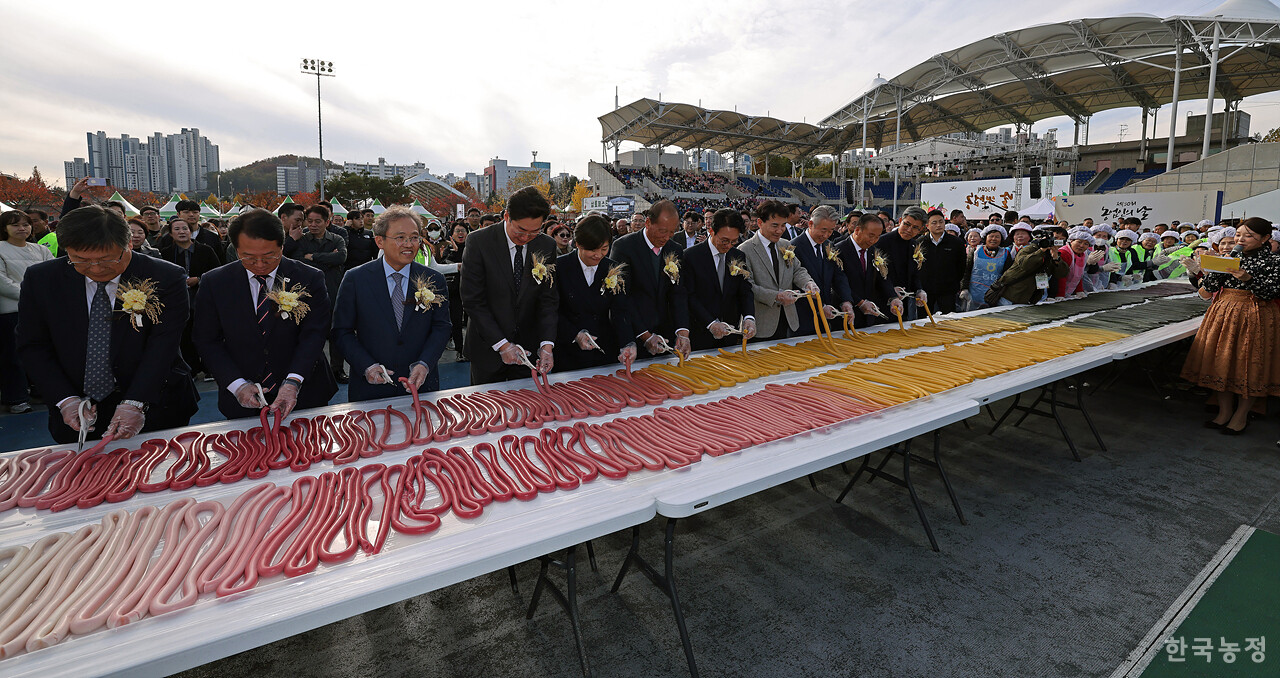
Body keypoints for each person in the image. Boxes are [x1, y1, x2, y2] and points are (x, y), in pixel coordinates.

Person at [17, 205, 199, 443]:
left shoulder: (164, 277)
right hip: (78, 406)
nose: (95, 269)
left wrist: (136, 400)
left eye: (106, 259)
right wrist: (64, 399)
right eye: (80, 260)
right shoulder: (41, 279)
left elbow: (163, 344)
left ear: (129, 245)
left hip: (155, 399)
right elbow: (32, 344)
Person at [193, 208, 336, 420]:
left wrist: (293, 381)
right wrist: (237, 385)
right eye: (248, 257)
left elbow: (314, 334)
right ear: (236, 249)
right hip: (242, 393)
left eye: (269, 256)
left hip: (305, 389)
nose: (259, 265)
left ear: (282, 244)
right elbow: (206, 340)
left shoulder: (309, 277)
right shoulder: (215, 282)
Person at [332, 207, 451, 403]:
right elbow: (341, 331)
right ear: (380, 241)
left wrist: (425, 363)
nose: (409, 244)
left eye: (414, 237)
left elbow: (442, 327)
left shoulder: (433, 279)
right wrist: (367, 366)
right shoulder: (356, 279)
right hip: (370, 387)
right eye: (400, 237)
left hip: (421, 385)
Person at [1181, 218, 1280, 435]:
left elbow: (1271, 293)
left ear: (1265, 239)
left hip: (1257, 314)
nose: (1240, 239)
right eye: (1238, 234)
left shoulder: (1274, 261)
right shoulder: (1231, 255)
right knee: (1221, 361)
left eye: (1248, 235)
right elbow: (1206, 291)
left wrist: (1246, 277)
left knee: (1251, 364)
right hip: (1224, 311)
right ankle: (1224, 412)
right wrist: (1210, 270)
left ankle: (1241, 415)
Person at [460, 186, 560, 385]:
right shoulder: (479, 241)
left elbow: (548, 299)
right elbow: (473, 301)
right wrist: (503, 345)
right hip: (488, 347)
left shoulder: (546, 245)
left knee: (529, 409)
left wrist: (547, 345)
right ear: (506, 216)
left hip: (529, 350)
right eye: (521, 231)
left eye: (534, 232)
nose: (525, 238)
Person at [553, 215, 635, 371]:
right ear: (577, 244)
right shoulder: (560, 267)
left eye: (604, 249)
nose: (598, 255)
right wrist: (575, 334)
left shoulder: (613, 269)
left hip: (603, 348)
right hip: (567, 351)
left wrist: (628, 343)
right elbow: (552, 310)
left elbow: (620, 310)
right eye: (592, 250)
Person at [610, 199, 689, 359]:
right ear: (647, 223)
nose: (667, 237)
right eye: (662, 231)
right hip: (634, 335)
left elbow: (678, 293)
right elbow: (622, 296)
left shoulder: (675, 249)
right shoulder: (623, 247)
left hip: (665, 336)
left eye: (672, 232)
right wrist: (645, 335)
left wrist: (682, 332)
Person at [676, 209, 758, 350]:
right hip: (700, 332)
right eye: (724, 240)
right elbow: (689, 295)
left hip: (730, 334)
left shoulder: (737, 256)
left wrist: (749, 318)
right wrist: (711, 323)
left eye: (733, 241)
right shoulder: (690, 256)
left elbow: (745, 290)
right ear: (712, 231)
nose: (728, 245)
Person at [739, 200, 819, 342]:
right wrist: (776, 296)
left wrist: (808, 283)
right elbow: (747, 286)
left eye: (783, 226)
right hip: (760, 325)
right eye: (774, 225)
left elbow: (797, 270)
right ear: (759, 223)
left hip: (788, 320)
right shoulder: (745, 250)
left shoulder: (786, 244)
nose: (780, 230)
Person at [285, 204, 348, 382]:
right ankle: (313, 370)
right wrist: (328, 259)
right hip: (308, 293)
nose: (313, 225)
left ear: (327, 222)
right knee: (311, 333)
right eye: (310, 221)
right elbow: (298, 263)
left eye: (317, 221)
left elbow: (341, 257)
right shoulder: (301, 239)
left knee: (336, 333)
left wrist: (313, 256)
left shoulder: (337, 239)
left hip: (333, 290)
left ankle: (338, 369)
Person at [0, 211, 54, 413]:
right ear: (5, 228)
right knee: (13, 356)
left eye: (26, 224)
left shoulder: (41, 250)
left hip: (40, 311)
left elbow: (52, 276)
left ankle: (40, 391)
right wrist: (32, 297)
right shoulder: (1, 249)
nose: (22, 228)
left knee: (43, 352)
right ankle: (16, 398)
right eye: (15, 225)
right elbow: (3, 282)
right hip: (10, 311)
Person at [790, 205, 853, 335]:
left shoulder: (829, 245)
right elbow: (794, 283)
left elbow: (839, 276)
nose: (826, 235)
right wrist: (820, 307)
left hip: (826, 316)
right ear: (811, 224)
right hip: (802, 317)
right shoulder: (794, 247)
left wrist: (846, 300)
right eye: (823, 230)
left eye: (830, 231)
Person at [838, 213, 902, 327]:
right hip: (847, 314)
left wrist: (893, 298)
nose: (874, 240)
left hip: (870, 315)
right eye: (871, 235)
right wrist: (860, 302)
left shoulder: (874, 251)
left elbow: (882, 278)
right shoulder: (839, 250)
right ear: (857, 230)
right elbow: (838, 283)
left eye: (878, 236)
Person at [988, 229, 1068, 305]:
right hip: (1010, 296)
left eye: (1061, 239)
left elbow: (1062, 274)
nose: (1055, 241)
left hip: (1029, 299)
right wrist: (1041, 251)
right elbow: (1025, 264)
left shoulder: (1053, 255)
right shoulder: (1029, 249)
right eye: (1056, 238)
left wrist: (1056, 258)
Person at [876, 206, 928, 320]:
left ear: (921, 230)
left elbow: (914, 274)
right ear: (900, 221)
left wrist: (919, 290)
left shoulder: (915, 245)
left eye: (915, 227)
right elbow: (877, 274)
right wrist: (891, 293)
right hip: (881, 302)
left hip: (903, 303)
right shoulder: (881, 242)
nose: (909, 230)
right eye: (906, 224)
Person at [915, 208, 966, 313]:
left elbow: (961, 266)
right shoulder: (919, 243)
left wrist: (953, 282)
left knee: (947, 320)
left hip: (947, 290)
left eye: (941, 222)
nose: (938, 225)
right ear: (927, 225)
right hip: (925, 290)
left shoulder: (956, 243)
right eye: (934, 222)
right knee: (923, 320)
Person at [960, 225, 1011, 309]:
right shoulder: (975, 251)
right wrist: (964, 288)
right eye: (991, 236)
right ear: (985, 238)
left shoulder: (1005, 253)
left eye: (997, 237)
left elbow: (1007, 274)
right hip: (974, 293)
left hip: (994, 294)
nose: (994, 239)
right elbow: (966, 270)